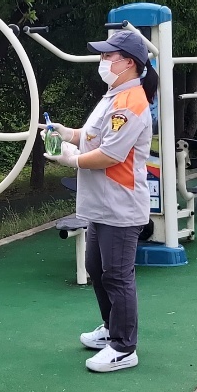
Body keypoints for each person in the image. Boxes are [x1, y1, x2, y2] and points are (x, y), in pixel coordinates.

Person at [42, 30, 157, 372]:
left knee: (117, 275)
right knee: (96, 269)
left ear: (129, 64)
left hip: (120, 205)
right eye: (104, 55)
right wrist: (68, 134)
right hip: (100, 203)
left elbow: (109, 154)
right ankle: (110, 330)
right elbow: (93, 136)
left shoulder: (131, 102)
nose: (103, 61)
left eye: (109, 56)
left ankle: (124, 346)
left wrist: (71, 159)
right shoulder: (112, 96)